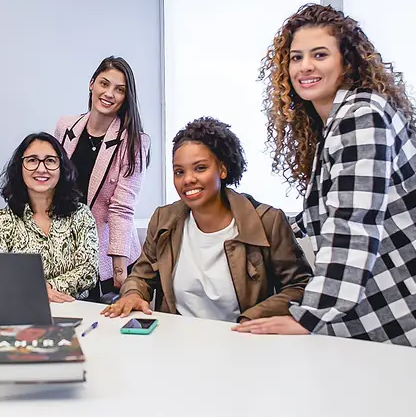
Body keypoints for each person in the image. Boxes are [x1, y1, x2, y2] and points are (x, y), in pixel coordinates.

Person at [234, 4, 416, 350]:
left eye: (319, 54)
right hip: (411, 292)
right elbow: (328, 210)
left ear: (347, 62)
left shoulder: (361, 115)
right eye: (296, 57)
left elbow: (353, 223)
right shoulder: (340, 122)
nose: (305, 66)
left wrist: (310, 315)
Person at [102, 117, 312, 321]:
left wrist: (253, 318)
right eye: (179, 172)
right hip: (175, 344)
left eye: (200, 168)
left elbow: (300, 286)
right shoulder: (163, 220)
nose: (188, 179)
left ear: (222, 168)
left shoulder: (268, 221)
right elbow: (141, 276)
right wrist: (133, 294)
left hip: (242, 342)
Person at [54, 56, 150, 301]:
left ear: (126, 97)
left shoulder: (134, 142)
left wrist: (119, 268)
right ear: (91, 84)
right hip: (68, 251)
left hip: (108, 255)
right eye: (104, 84)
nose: (109, 93)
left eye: (119, 90)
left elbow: (122, 207)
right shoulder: (66, 127)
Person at [0, 132, 99, 302]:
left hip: (75, 309)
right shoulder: (1, 220)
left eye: (50, 160)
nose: (41, 169)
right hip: (21, 311)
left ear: (61, 168)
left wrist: (47, 288)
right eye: (32, 160)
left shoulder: (81, 214)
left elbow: (89, 270)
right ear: (20, 167)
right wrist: (35, 292)